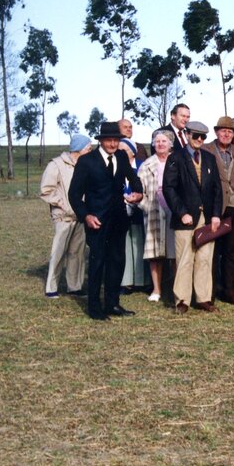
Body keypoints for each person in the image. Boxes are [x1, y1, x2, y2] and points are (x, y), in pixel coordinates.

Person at [68, 121, 144, 320]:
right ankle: (94, 308)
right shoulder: (87, 161)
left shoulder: (121, 156)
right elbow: (74, 195)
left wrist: (139, 192)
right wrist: (86, 216)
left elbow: (133, 177)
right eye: (108, 140)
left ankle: (112, 304)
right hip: (97, 221)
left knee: (117, 262)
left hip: (119, 219)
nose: (112, 144)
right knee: (98, 262)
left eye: (116, 140)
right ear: (101, 141)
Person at [163, 120, 222, 314]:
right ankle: (182, 300)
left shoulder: (209, 158)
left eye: (203, 137)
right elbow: (169, 188)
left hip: (207, 218)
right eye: (195, 135)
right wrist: (181, 212)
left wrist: (216, 215)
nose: (199, 139)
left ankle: (203, 298)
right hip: (186, 218)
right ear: (187, 135)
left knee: (205, 259)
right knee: (184, 259)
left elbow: (217, 189)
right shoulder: (176, 158)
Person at [39, 133, 92, 297]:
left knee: (77, 253)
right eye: (89, 148)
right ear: (79, 149)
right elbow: (46, 190)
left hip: (81, 216)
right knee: (58, 252)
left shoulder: (86, 165)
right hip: (63, 217)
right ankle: (51, 288)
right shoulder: (56, 165)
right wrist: (62, 204)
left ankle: (75, 287)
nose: (91, 151)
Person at [202, 116, 234, 306]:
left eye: (230, 131)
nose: (227, 134)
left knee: (232, 251)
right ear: (216, 132)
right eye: (223, 131)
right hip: (213, 206)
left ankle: (230, 292)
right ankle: (209, 293)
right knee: (211, 251)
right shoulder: (206, 149)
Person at [137, 129, 176, 303]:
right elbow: (139, 191)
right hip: (153, 210)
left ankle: (176, 289)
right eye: (157, 141)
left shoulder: (177, 161)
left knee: (175, 252)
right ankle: (157, 289)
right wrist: (146, 207)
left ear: (170, 144)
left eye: (164, 141)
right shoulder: (146, 165)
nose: (160, 144)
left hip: (175, 211)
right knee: (155, 254)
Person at [117, 136, 147, 293]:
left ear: (133, 152)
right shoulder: (116, 166)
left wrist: (138, 197)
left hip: (139, 211)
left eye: (124, 150)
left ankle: (142, 281)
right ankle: (127, 282)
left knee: (139, 244)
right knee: (125, 247)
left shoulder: (142, 166)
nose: (120, 152)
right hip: (121, 211)